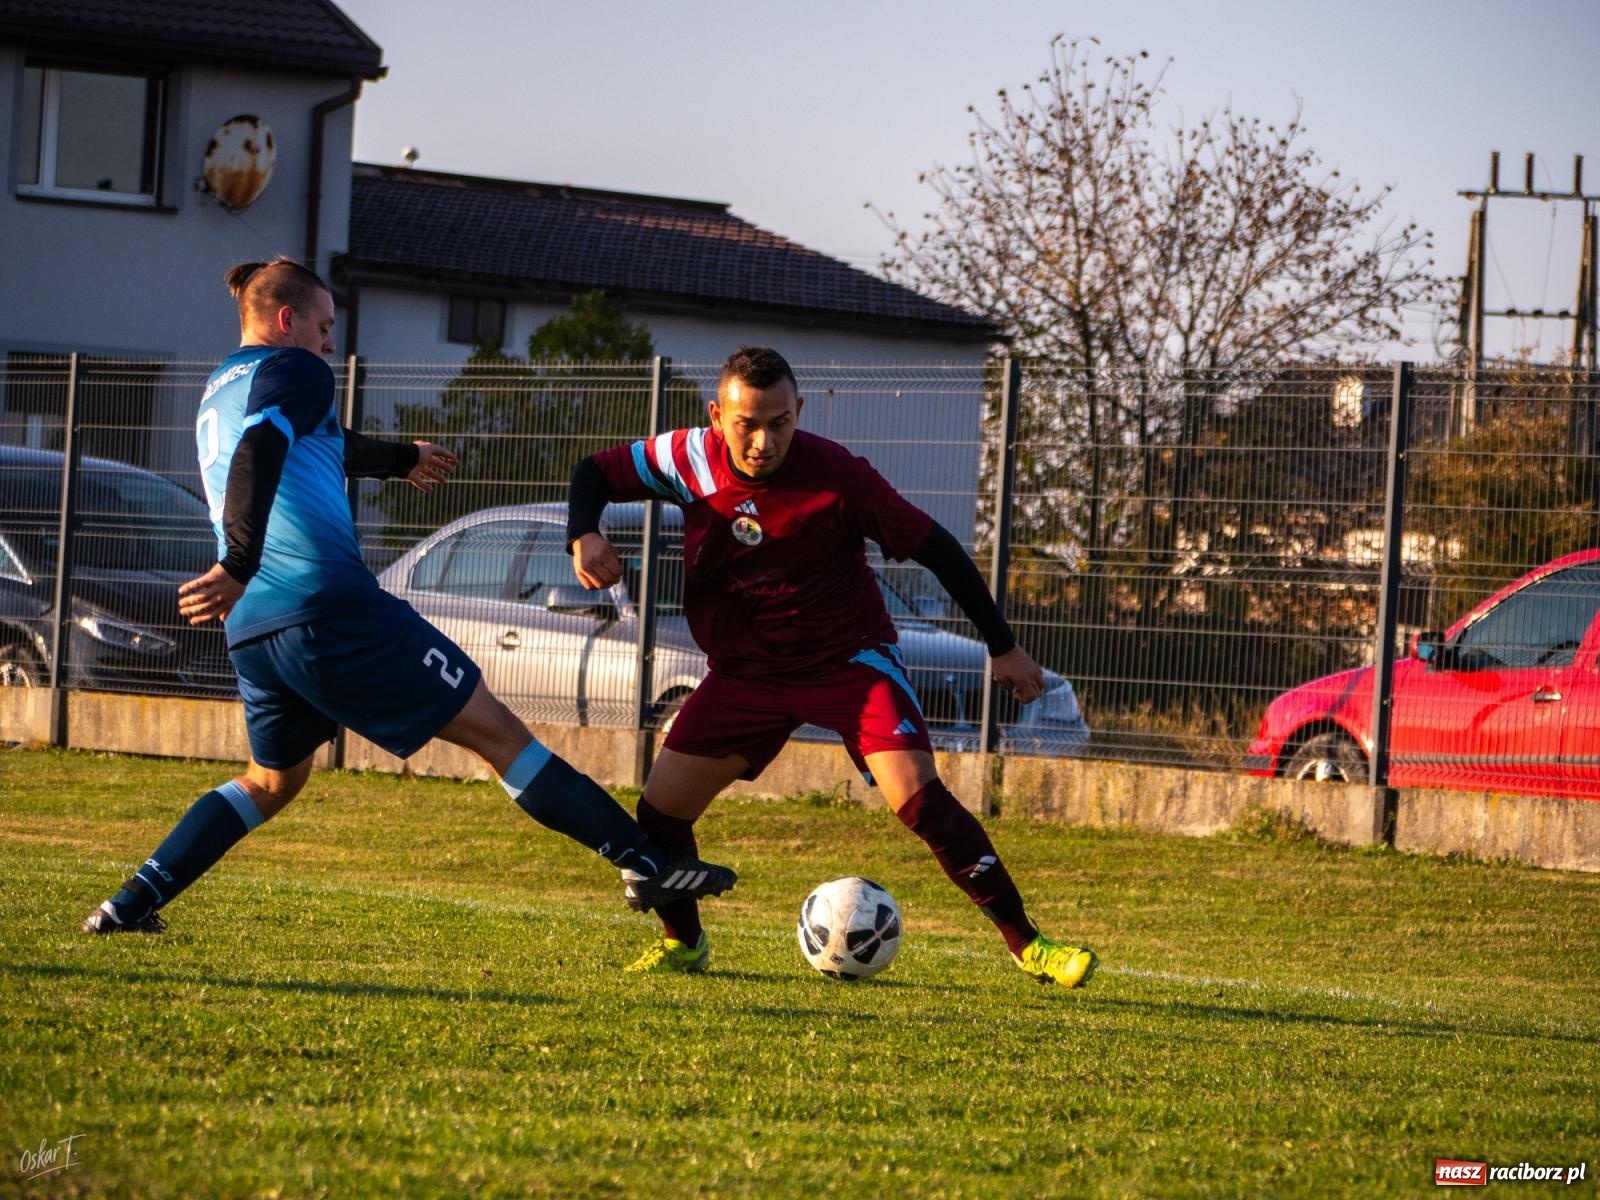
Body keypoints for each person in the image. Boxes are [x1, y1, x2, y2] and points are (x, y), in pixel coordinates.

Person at [82, 257, 735, 936]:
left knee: (271, 782)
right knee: (498, 733)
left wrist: (401, 459)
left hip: (254, 625)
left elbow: (319, 446)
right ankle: (642, 861)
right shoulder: (298, 368)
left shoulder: (220, 386)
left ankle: (129, 905)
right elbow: (261, 451)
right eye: (324, 325)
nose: (330, 342)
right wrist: (239, 561)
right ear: (287, 320)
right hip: (328, 607)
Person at [567, 345, 1096, 987]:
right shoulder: (688, 457)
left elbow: (940, 549)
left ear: (801, 411)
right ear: (717, 416)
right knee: (659, 816)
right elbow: (593, 471)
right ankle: (686, 943)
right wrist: (583, 533)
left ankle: (1030, 945)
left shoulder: (841, 477)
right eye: (747, 424)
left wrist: (1002, 645)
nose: (764, 441)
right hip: (746, 675)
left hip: (849, 663)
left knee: (921, 802)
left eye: (781, 422)